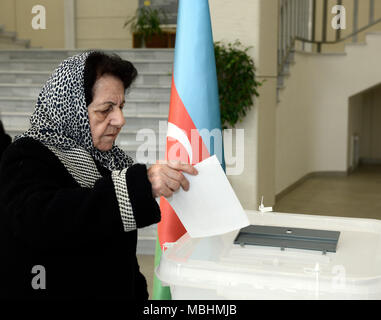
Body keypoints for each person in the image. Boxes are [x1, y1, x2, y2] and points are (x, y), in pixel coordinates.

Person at [0, 51, 197, 300]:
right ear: (72, 110)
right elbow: (44, 222)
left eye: (121, 107)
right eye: (106, 110)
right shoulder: (26, 154)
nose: (120, 119)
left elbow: (121, 258)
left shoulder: (111, 161)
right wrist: (140, 185)